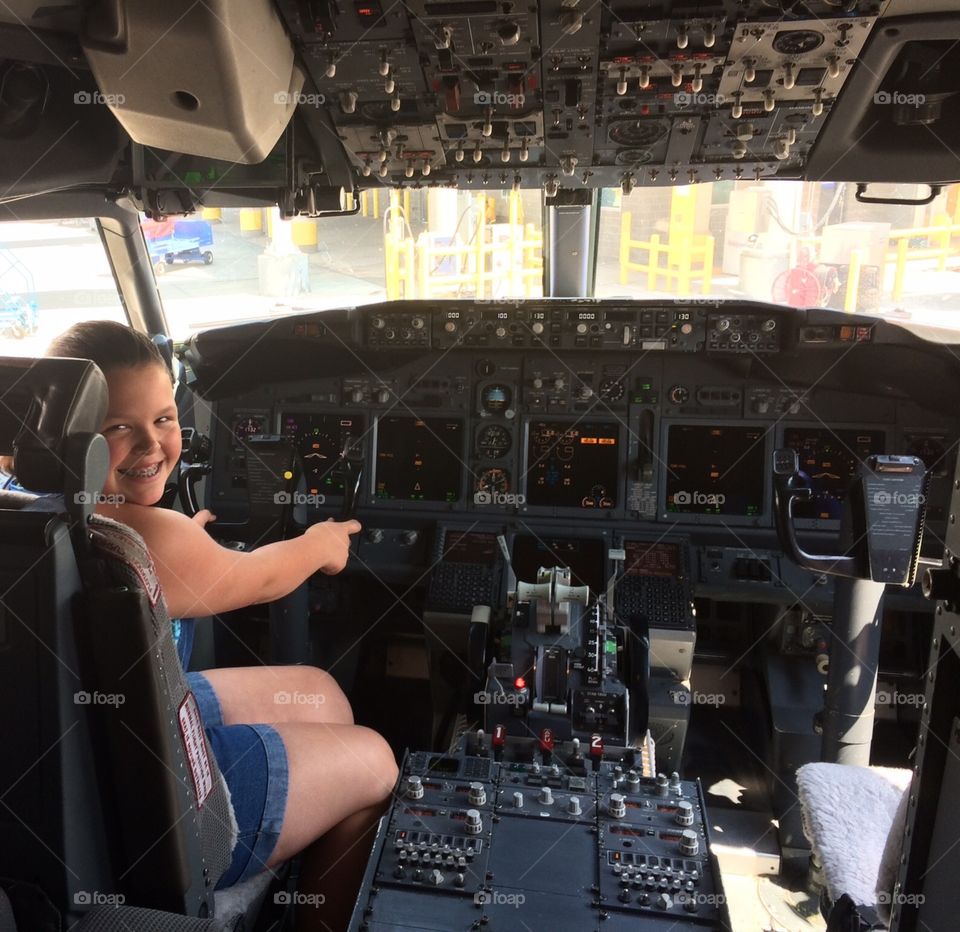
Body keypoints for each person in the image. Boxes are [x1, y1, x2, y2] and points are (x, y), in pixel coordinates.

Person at [10, 321, 398, 930]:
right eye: (117, 428)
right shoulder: (141, 536)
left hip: (94, 739)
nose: (153, 444)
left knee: (320, 693)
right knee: (377, 762)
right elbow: (263, 577)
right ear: (75, 435)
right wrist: (320, 543)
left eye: (165, 418)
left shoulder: (20, 508)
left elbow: (168, 550)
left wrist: (189, 540)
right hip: (158, 812)